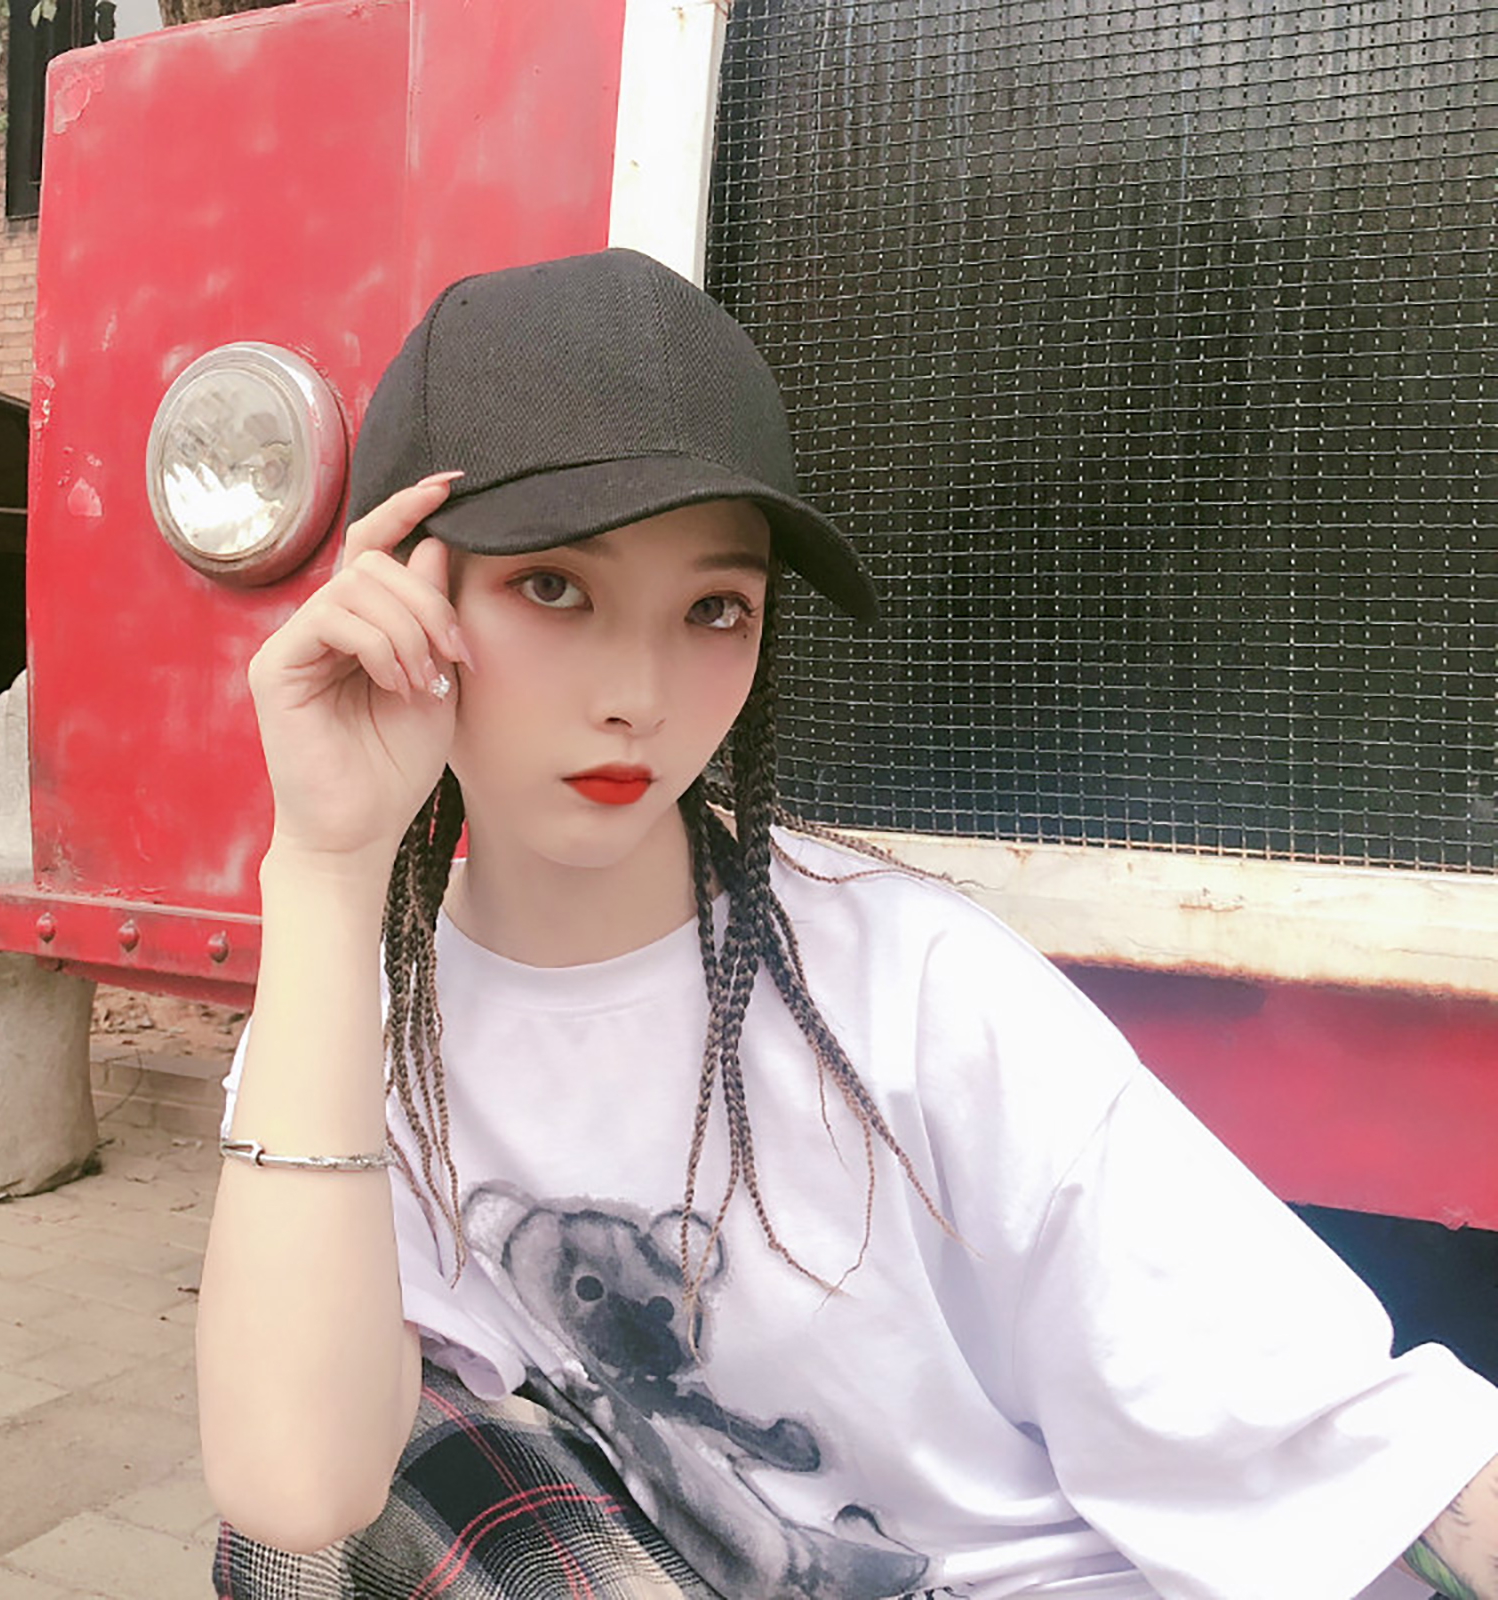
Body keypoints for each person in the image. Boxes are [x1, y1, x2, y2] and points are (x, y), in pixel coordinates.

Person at [196, 248, 1498, 1600]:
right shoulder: (355, 1023)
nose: (640, 692)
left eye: (714, 608)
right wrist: (324, 868)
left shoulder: (912, 985)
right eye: (556, 589)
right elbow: (297, 1499)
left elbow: (1358, 1439)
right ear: (400, 598)